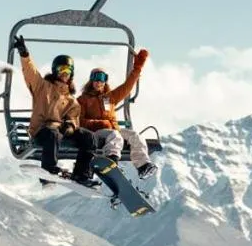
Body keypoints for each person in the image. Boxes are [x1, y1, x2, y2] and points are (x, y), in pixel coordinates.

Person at [14, 38, 99, 187]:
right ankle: (49, 173)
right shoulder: (42, 87)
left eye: (68, 71)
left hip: (61, 132)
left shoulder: (72, 100)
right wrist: (24, 54)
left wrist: (70, 126)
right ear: (55, 71)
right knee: (53, 133)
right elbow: (30, 73)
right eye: (61, 70)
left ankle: (82, 174)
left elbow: (73, 118)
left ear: (71, 74)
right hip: (42, 131)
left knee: (89, 137)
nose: (64, 74)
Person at [78, 49, 156, 180]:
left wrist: (137, 68)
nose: (99, 82)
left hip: (114, 131)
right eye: (96, 78)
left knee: (134, 135)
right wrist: (100, 123)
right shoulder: (83, 100)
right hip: (96, 134)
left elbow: (127, 86)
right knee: (114, 135)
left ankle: (143, 165)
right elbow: (80, 121)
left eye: (102, 78)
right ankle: (111, 160)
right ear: (91, 81)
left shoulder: (110, 97)